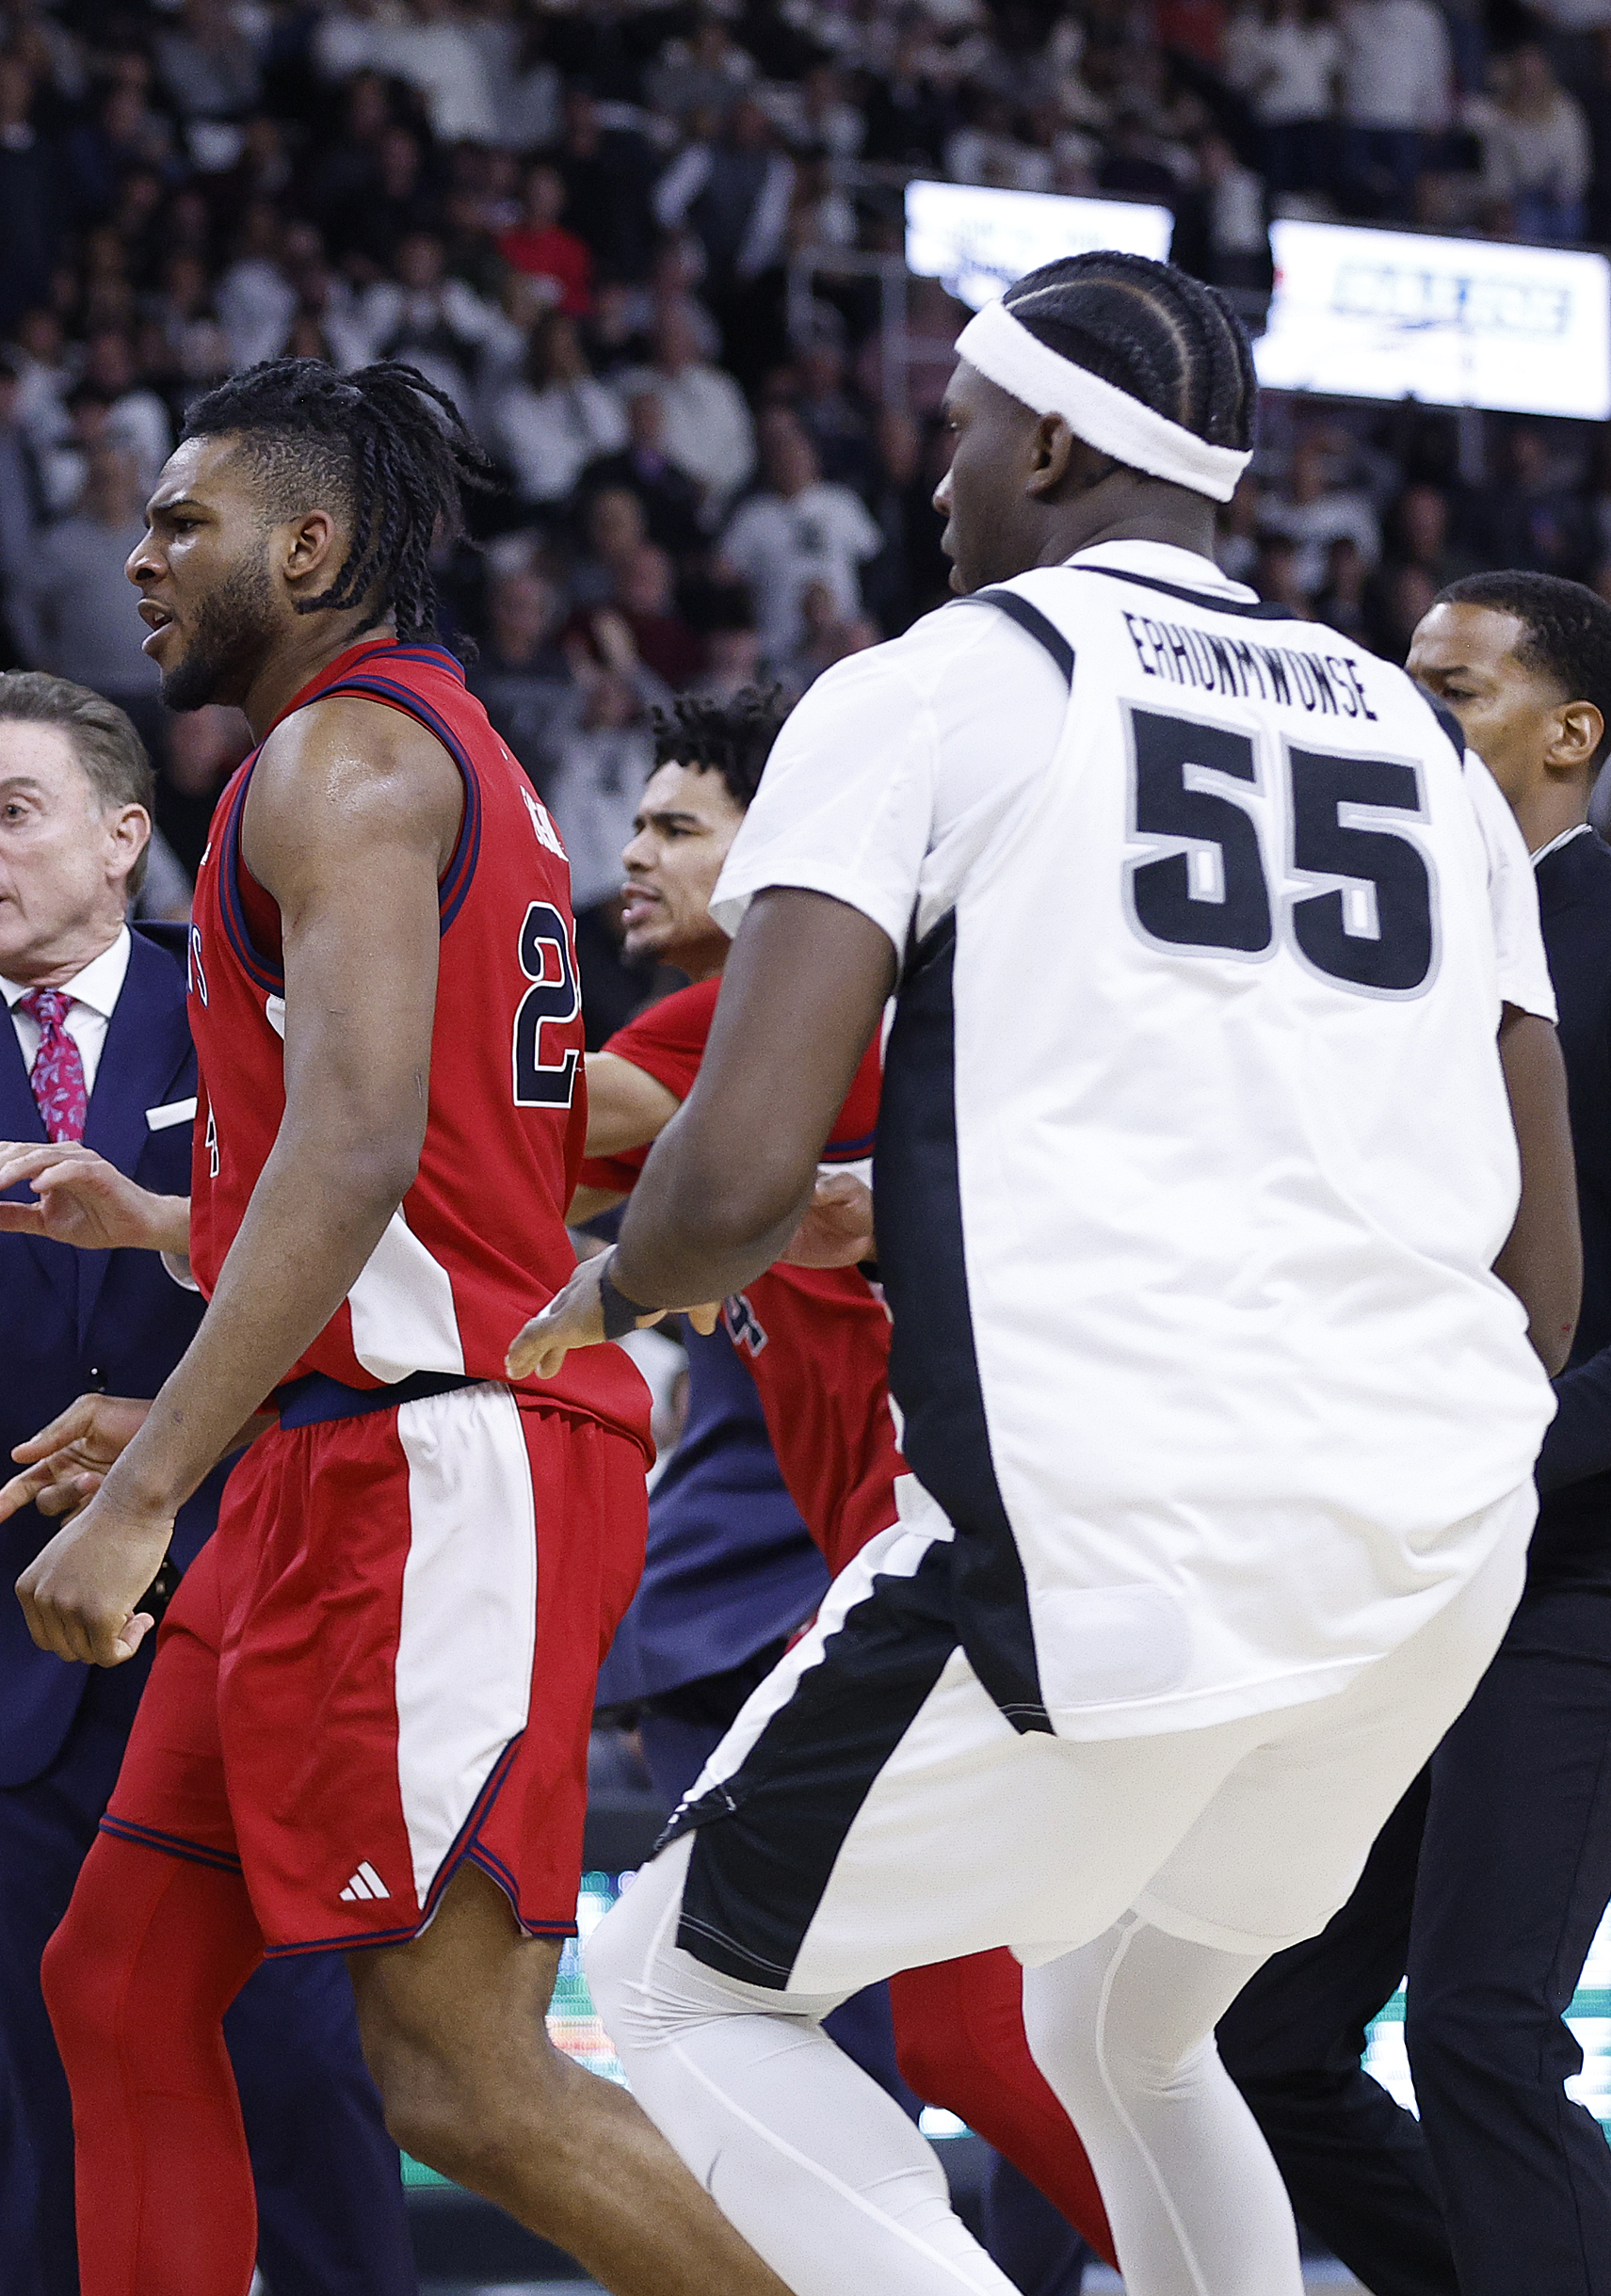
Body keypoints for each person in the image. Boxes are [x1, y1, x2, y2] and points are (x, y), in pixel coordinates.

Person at [522, 251, 1576, 2296]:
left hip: (1118, 1524)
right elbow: (1541, 1261)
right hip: (1438, 1541)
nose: (936, 484)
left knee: (673, 1988)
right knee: (1125, 2021)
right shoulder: (1432, 752)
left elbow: (726, 1175)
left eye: (958, 431)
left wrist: (616, 1285)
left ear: (1058, 439)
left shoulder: (933, 681)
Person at [0, 357, 782, 2296]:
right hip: (343, 1451)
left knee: (459, 2077)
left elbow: (352, 1161)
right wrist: (205, 1408)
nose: (141, 553)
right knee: (115, 1982)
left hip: (441, 1466)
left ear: (311, 543)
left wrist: (146, 1486)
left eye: (185, 519)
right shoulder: (440, 750)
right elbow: (457, 1157)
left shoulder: (338, 764)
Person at [0, 669, 414, 2296]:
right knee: (52, 2094)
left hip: (246, 1613)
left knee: (302, 2077)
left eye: (13, 814)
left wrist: (179, 1428)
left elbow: (359, 1292)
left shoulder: (247, 1012)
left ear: (123, 841)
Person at [1218, 569, 1611, 2296]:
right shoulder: (1378, 961)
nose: (1409, 714)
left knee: (1480, 2020)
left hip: (1592, 1567)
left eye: (1452, 689)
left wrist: (1507, 1446)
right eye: (1402, 682)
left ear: (1571, 733)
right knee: (1265, 2037)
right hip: (1399, 1573)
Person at [570, 685, 1114, 2278]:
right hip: (961, 1568)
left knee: (866, 2020)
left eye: (679, 825)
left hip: (956, 1572)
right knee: (993, 2036)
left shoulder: (779, 1008)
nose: (637, 853)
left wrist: (393, 993)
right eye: (638, 823)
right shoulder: (737, 1049)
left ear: (780, 851)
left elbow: (530, 1128)